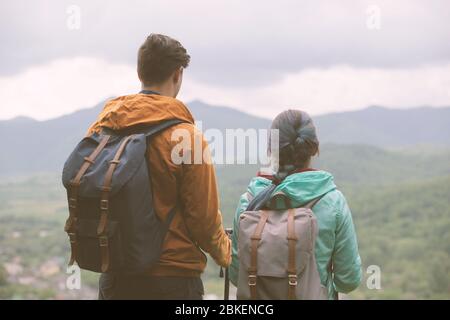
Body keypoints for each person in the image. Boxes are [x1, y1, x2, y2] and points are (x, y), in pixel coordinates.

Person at [87, 34, 231, 299]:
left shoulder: (104, 127)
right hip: (171, 279)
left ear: (139, 71)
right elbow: (203, 220)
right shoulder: (186, 137)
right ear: (178, 74)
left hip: (115, 276)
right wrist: (226, 253)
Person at [229, 109, 362, 299]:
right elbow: (348, 280)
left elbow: (236, 274)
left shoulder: (249, 202)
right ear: (315, 148)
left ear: (270, 151)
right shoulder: (332, 201)